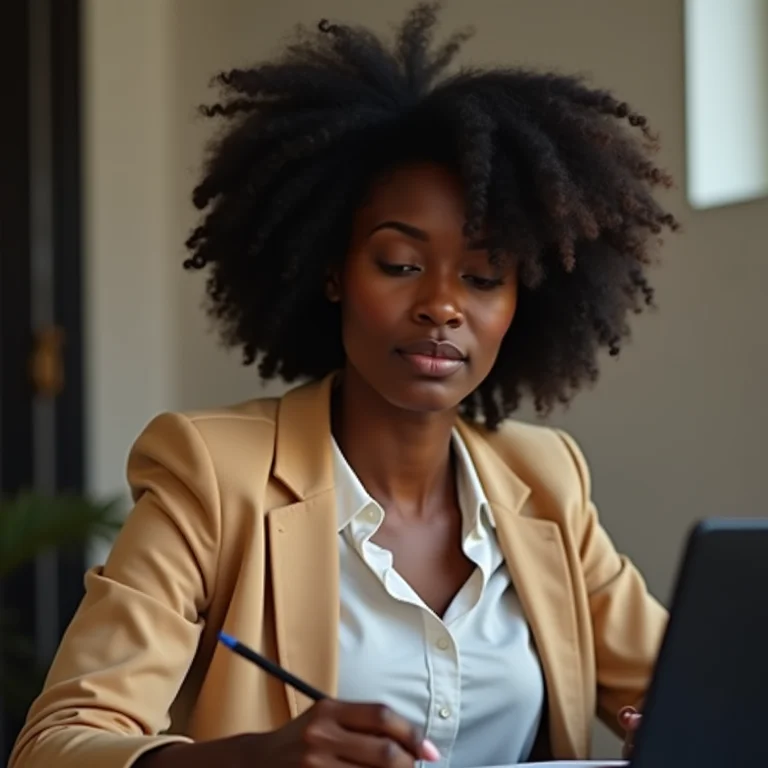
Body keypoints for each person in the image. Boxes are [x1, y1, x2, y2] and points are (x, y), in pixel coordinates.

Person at [9, 3, 675, 767]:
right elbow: (53, 747)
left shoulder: (545, 478)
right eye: (399, 263)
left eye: (484, 276)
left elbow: (689, 691)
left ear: (524, 300)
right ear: (331, 272)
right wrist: (256, 760)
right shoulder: (213, 476)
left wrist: (672, 725)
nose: (441, 306)